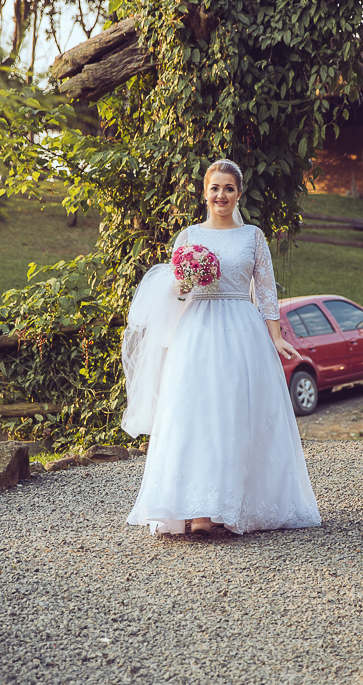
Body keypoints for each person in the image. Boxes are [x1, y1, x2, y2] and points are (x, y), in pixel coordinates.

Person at [120, 159, 321, 535]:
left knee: (235, 414)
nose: (221, 195)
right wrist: (184, 282)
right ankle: (196, 510)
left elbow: (266, 292)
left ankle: (230, 508)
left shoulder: (253, 237)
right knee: (196, 415)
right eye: (215, 188)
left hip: (242, 331)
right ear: (205, 193)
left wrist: (277, 337)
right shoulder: (188, 236)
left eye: (229, 188)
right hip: (197, 331)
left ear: (239, 193)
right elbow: (177, 292)